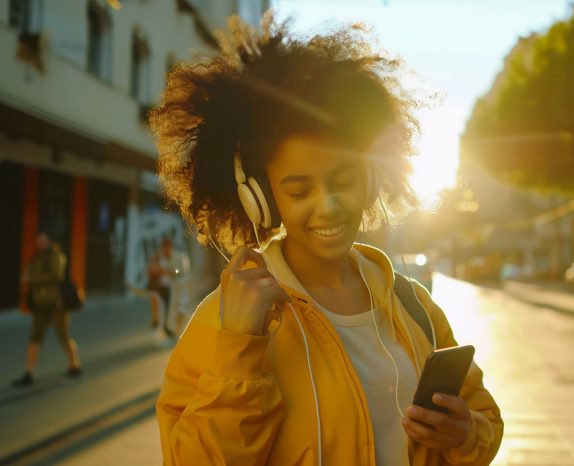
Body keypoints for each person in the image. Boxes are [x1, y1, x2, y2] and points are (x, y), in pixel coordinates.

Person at [149, 14, 503, 465]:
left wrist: (466, 433)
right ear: (260, 197)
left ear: (372, 176)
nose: (329, 206)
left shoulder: (414, 305)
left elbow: (483, 420)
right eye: (299, 191)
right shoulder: (225, 321)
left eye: (343, 181)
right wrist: (240, 346)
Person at [11, 232, 82, 387]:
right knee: (34, 338)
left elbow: (56, 275)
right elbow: (26, 274)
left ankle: (74, 365)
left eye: (42, 240)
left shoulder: (56, 255)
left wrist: (32, 278)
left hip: (57, 304)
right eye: (38, 240)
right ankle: (29, 372)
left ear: (49, 240)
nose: (40, 243)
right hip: (40, 304)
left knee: (63, 336)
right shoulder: (36, 258)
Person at [147, 236, 191, 337]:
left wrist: (169, 272)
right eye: (164, 247)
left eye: (168, 247)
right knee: (157, 300)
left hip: (174, 288)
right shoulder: (158, 258)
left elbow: (179, 272)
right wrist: (158, 271)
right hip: (162, 288)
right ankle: (157, 323)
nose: (166, 250)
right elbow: (150, 270)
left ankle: (171, 330)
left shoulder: (177, 257)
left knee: (175, 309)